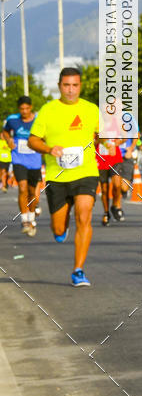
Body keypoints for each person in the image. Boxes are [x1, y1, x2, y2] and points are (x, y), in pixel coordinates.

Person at [28, 67, 100, 287]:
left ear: (80, 86)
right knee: (58, 229)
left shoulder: (91, 109)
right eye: (66, 85)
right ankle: (63, 223)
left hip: (86, 172)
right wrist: (49, 149)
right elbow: (33, 140)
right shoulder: (48, 110)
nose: (70, 90)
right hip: (57, 176)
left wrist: (108, 138)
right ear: (59, 86)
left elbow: (101, 135)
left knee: (84, 215)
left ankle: (78, 270)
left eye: (75, 85)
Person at [2, 96, 43, 237]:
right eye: (21, 109)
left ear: (31, 107)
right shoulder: (12, 119)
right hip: (18, 158)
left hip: (35, 160)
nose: (24, 111)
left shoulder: (39, 120)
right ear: (19, 109)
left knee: (32, 192)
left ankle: (31, 217)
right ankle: (24, 220)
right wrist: (9, 140)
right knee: (22, 187)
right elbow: (5, 131)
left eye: (27, 108)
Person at [96, 139, 123, 225]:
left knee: (117, 185)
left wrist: (119, 142)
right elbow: (93, 140)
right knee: (104, 189)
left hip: (115, 157)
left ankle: (114, 205)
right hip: (101, 158)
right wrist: (102, 142)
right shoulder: (96, 129)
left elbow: (124, 137)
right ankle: (106, 212)